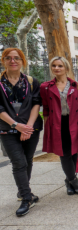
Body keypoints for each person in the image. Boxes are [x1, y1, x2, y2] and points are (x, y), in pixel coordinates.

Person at [0, 48, 43, 216]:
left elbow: (36, 104)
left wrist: (28, 127)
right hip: (7, 129)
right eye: (8, 58)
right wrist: (16, 125)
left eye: (17, 58)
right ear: (3, 60)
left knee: (28, 159)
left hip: (31, 127)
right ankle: (26, 197)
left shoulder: (32, 82)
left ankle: (23, 190)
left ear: (22, 61)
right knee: (18, 162)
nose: (13, 61)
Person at [41, 57, 78, 196]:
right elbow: (45, 108)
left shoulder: (77, 85)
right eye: (54, 66)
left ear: (66, 68)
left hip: (74, 122)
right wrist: (47, 126)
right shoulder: (45, 86)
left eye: (60, 66)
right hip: (56, 123)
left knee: (74, 151)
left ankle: (68, 182)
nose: (57, 68)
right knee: (64, 153)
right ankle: (74, 181)